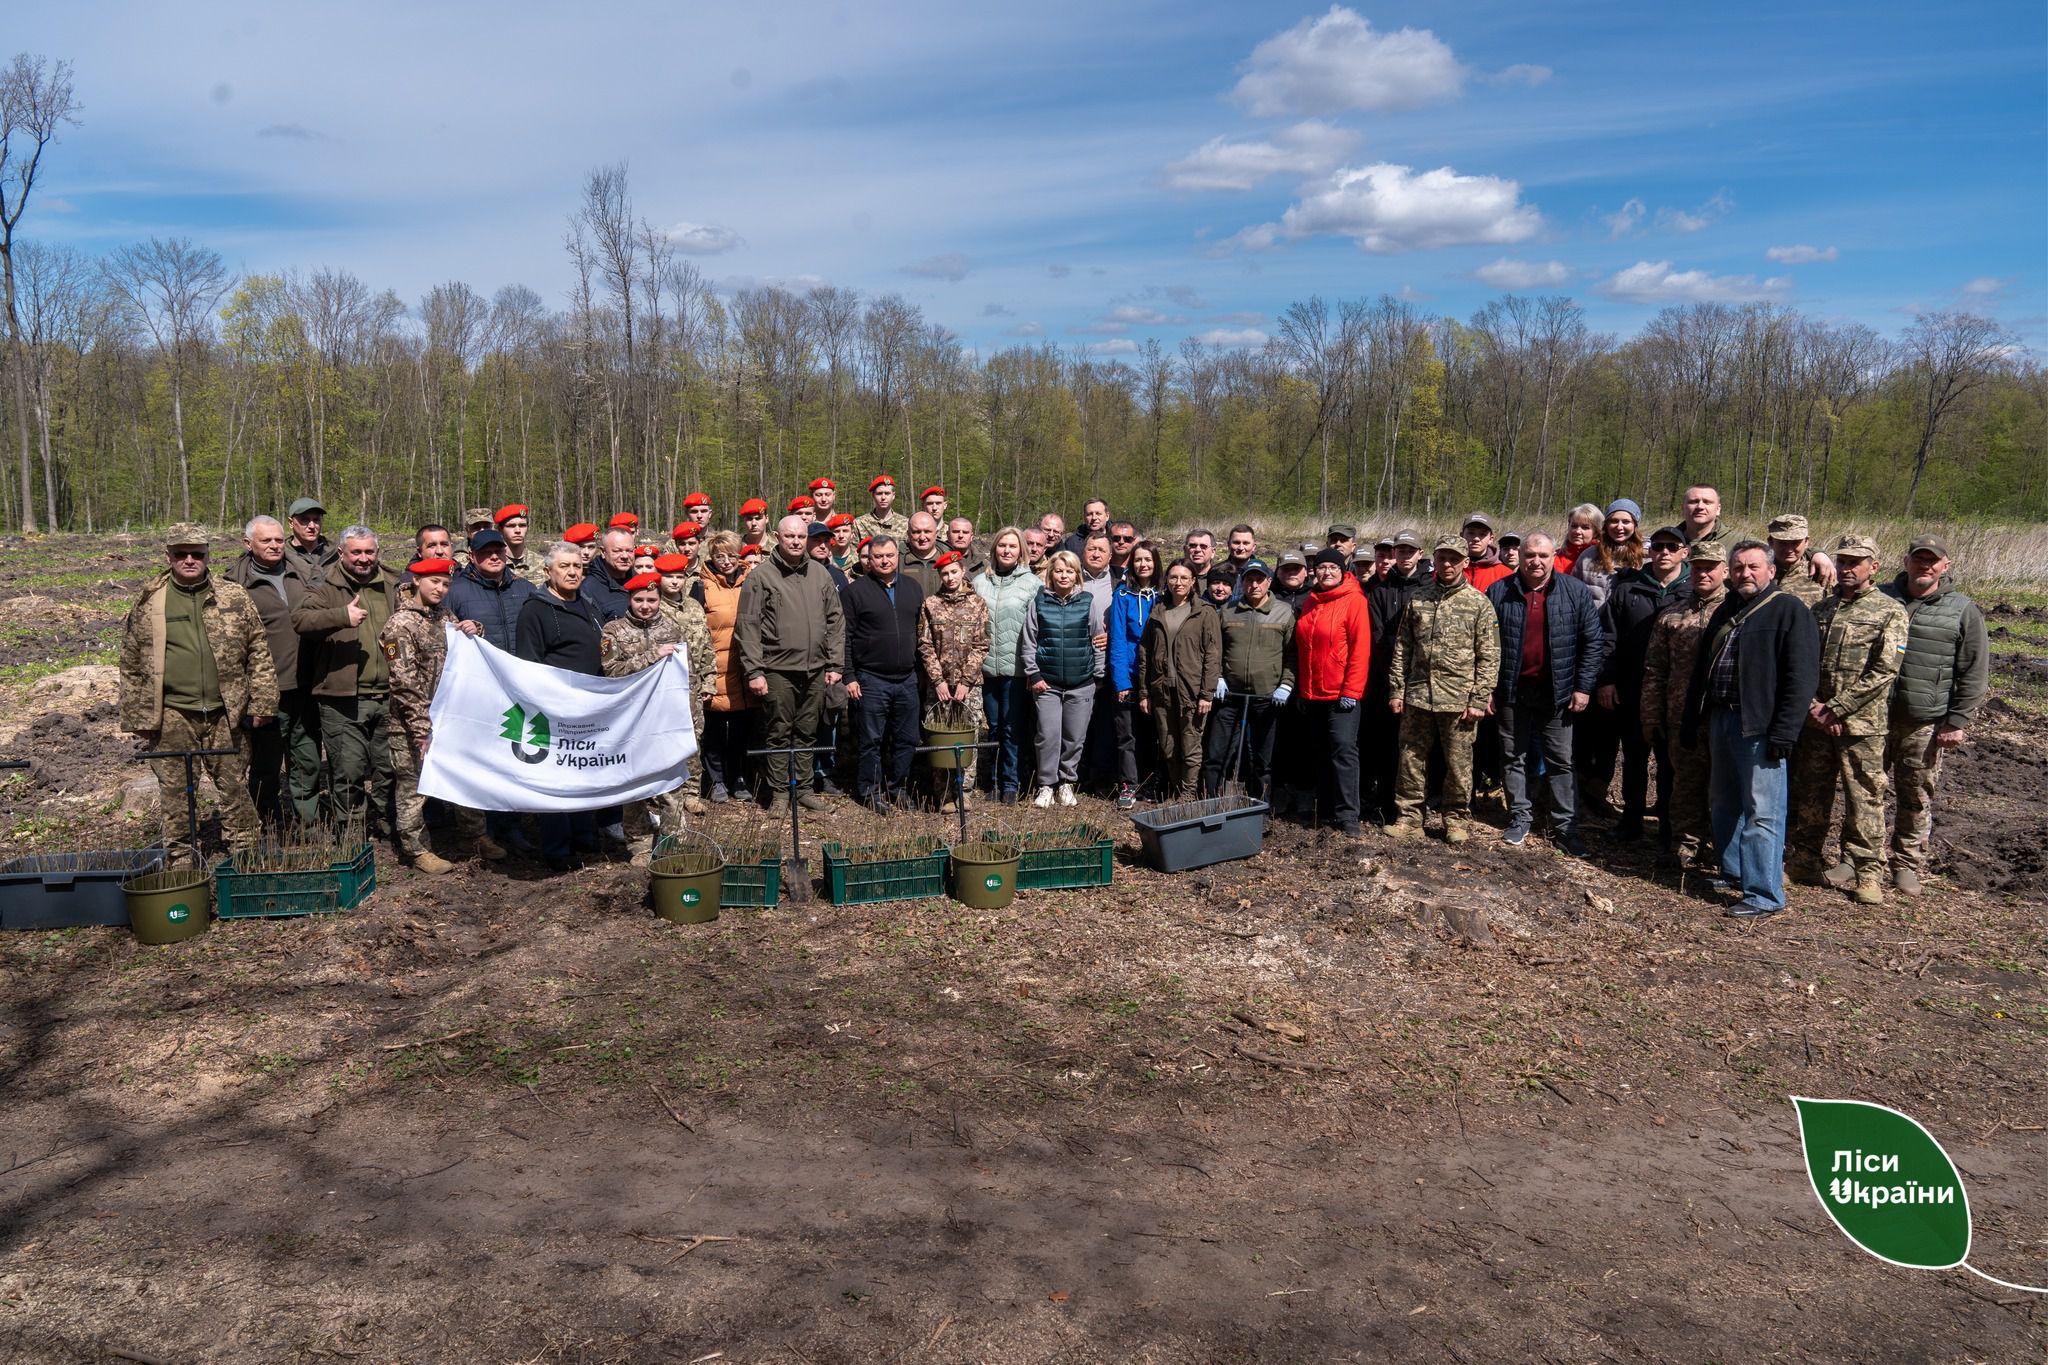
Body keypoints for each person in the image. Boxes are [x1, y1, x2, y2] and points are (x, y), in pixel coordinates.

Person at [118, 524, 277, 864]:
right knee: (176, 796)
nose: (189, 560)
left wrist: (263, 701)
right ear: (168, 557)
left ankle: (247, 860)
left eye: (197, 554)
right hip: (173, 715)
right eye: (181, 554)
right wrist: (138, 717)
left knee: (235, 789)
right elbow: (130, 661)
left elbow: (258, 651)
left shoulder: (233, 597)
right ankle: (182, 863)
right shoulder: (150, 602)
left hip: (226, 712)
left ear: (208, 556)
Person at [1681, 540, 1820, 919]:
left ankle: (1764, 893)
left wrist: (1785, 732)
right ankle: (1734, 872)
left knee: (1762, 811)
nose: (1745, 573)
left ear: (1771, 571)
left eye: (1753, 567)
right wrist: (1692, 720)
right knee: (1723, 802)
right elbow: (1701, 671)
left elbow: (1802, 678)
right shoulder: (1727, 610)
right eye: (1739, 567)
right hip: (1722, 719)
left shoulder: (1789, 611)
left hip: (1760, 726)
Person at [1786, 535, 1909, 905]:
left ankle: (1867, 871)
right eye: (1842, 561)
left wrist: (1837, 707)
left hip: (1862, 726)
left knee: (1865, 799)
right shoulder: (1822, 609)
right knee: (1810, 792)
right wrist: (1813, 706)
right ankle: (1805, 860)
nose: (1846, 568)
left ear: (1874, 566)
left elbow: (1885, 670)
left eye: (1856, 561)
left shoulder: (1890, 611)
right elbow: (1801, 661)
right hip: (1817, 722)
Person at [1880, 534, 1989, 897]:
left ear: (1945, 565)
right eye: (1918, 559)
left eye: (1932, 560)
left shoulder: (1962, 610)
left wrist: (1957, 721)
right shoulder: (1880, 597)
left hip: (1924, 720)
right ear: (1906, 561)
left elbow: (1974, 670)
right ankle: (1862, 858)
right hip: (1874, 715)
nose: (1924, 566)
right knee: (1865, 792)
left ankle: (1906, 863)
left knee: (1915, 794)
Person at [1486, 533, 1606, 856]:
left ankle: (1565, 826)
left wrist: (1583, 687)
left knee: (1561, 760)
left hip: (1558, 691)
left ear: (1554, 556)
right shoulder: (1499, 591)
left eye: (1542, 555)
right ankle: (1519, 817)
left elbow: (1593, 642)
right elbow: (1485, 645)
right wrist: (1486, 689)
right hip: (1512, 688)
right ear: (1519, 557)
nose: (1535, 562)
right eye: (1529, 555)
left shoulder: (1575, 592)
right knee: (1513, 755)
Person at [382, 557, 495, 873]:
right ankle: (417, 850)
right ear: (417, 581)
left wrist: (476, 628)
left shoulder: (444, 615)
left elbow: (463, 650)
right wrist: (420, 726)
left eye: (446, 583)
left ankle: (474, 836)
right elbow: (404, 681)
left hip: (451, 718)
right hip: (410, 724)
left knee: (465, 776)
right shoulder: (400, 625)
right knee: (413, 786)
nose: (441, 588)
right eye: (434, 582)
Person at [1388, 538, 1500, 844]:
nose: (1447, 565)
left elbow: (1489, 656)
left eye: (1454, 559)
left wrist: (1479, 697)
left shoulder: (1478, 603)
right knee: (1410, 759)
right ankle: (1409, 818)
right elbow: (1403, 648)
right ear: (1434, 561)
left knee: (1458, 764)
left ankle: (1456, 819)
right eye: (1442, 559)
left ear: (1465, 562)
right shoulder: (1419, 599)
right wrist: (1397, 689)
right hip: (1418, 696)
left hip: (1459, 700)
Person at [292, 526, 400, 843]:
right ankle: (350, 830)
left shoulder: (393, 583)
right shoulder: (325, 583)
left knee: (387, 768)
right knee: (348, 772)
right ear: (342, 553)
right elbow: (300, 620)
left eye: (369, 552)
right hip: (342, 698)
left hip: (389, 695)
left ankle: (381, 820)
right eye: (357, 552)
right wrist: (341, 615)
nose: (364, 559)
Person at [736, 516, 847, 813]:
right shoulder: (761, 577)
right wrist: (755, 671)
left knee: (807, 731)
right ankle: (781, 793)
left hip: (815, 670)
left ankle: (805, 788)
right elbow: (747, 626)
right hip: (777, 670)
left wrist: (835, 663)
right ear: (777, 537)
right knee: (779, 732)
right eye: (790, 536)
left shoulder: (821, 575)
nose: (796, 542)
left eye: (800, 536)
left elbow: (836, 621)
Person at [515, 543, 607, 871]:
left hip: (587, 707)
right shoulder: (535, 611)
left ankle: (584, 833)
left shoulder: (588, 604)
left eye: (577, 567)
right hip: (553, 708)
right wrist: (545, 705)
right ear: (547, 572)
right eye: (564, 567)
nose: (572, 572)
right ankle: (557, 848)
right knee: (556, 779)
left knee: (581, 771)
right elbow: (529, 663)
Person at [1596, 525, 1690, 841]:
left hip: (1676, 693)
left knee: (1670, 764)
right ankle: (1630, 821)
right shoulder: (1628, 589)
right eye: (1659, 546)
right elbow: (1607, 638)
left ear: (1684, 552)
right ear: (1650, 550)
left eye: (1672, 547)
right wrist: (1607, 680)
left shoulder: (1693, 591)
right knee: (1634, 759)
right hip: (1633, 688)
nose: (1664, 552)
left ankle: (1668, 827)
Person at [1640, 540, 1730, 869]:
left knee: (1723, 787)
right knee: (1685, 784)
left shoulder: (1737, 611)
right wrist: (1650, 714)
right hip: (1680, 718)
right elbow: (1654, 669)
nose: (1704, 573)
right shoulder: (1672, 615)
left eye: (1711, 567)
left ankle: (1721, 848)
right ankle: (1686, 844)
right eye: (1699, 567)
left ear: (1725, 570)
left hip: (1723, 718)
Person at [224, 514, 315, 829]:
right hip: (265, 690)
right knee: (266, 764)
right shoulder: (234, 585)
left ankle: (309, 824)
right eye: (267, 540)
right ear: (249, 544)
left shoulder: (301, 573)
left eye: (279, 539)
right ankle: (269, 822)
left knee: (306, 760)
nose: (275, 545)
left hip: (306, 684)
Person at [599, 571, 695, 857]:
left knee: (670, 781)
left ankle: (673, 843)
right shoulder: (613, 630)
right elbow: (612, 671)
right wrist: (653, 655)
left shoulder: (673, 628)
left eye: (651, 600)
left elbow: (687, 675)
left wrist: (689, 713)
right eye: (639, 599)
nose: (645, 605)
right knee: (635, 782)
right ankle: (639, 844)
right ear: (629, 599)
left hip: (664, 718)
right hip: (630, 719)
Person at [841, 535, 926, 813]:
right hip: (871, 678)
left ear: (897, 556)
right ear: (869, 559)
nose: (885, 560)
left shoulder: (913, 588)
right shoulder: (855, 592)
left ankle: (899, 787)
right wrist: (849, 676)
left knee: (907, 738)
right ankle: (870, 790)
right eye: (878, 556)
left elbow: (922, 633)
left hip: (907, 678)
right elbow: (846, 637)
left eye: (889, 555)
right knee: (871, 739)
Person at [1294, 549, 1372, 837]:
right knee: (1319, 752)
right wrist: (1303, 689)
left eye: (1333, 568)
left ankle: (1348, 814)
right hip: (1313, 693)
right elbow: (1305, 650)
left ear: (1343, 571)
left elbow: (1360, 650)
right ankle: (1324, 806)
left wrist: (1352, 690)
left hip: (1342, 694)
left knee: (1343, 750)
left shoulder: (1354, 601)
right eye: (1322, 567)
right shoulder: (1311, 602)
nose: (1327, 572)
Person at [1021, 549, 1107, 807]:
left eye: (1069, 571)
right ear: (1051, 574)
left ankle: (1067, 782)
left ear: (1077, 575)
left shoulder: (1087, 601)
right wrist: (1033, 673)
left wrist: (1098, 675)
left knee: (1075, 736)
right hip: (1047, 683)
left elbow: (1097, 640)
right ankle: (1046, 785)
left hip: (1081, 683)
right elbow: (1029, 641)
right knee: (1047, 735)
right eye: (1058, 570)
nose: (1064, 575)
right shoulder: (1039, 602)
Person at [1203, 559, 1293, 802]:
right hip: (1230, 696)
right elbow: (1215, 651)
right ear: (1242, 583)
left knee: (1262, 760)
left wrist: (1286, 684)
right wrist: (1218, 678)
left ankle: (1259, 808)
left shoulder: (1284, 612)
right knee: (1216, 755)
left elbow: (1292, 654)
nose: (1254, 584)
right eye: (1249, 580)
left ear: (1269, 582)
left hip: (1267, 697)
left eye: (1259, 579)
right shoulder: (1228, 611)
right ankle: (1210, 804)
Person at [1135, 560, 1222, 802]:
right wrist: (1144, 692)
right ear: (1166, 580)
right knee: (1168, 745)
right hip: (1162, 689)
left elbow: (1212, 656)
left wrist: (1207, 693)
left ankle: (1188, 793)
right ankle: (1175, 788)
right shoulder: (1158, 611)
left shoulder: (1204, 612)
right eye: (1173, 577)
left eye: (1184, 578)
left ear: (1193, 581)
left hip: (1191, 691)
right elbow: (1145, 654)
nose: (1178, 582)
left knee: (1190, 745)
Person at [917, 551, 991, 808]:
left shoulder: (977, 604)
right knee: (940, 737)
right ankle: (944, 793)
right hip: (938, 686)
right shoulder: (931, 604)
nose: (949, 577)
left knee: (968, 736)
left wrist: (966, 681)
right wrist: (937, 681)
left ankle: (964, 792)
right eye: (944, 573)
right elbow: (925, 645)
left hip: (968, 685)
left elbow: (981, 644)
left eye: (954, 572)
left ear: (962, 571)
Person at [975, 527, 1041, 804]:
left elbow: (1038, 629)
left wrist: (1034, 668)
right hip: (987, 667)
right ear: (994, 549)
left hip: (1017, 669)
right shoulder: (979, 582)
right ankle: (991, 782)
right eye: (1002, 545)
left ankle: (1011, 783)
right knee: (993, 727)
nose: (1006, 550)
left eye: (1012, 546)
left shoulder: (1032, 584)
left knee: (1013, 726)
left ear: (1021, 552)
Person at [1362, 530, 1424, 823]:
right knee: (1386, 744)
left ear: (1420, 554)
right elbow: (1377, 636)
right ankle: (1386, 803)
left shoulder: (1428, 588)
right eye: (1400, 550)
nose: (1404, 555)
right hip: (1385, 679)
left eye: (1410, 550)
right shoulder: (1380, 591)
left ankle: (1415, 805)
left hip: (1422, 679)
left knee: (1416, 748)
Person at [692, 533, 756, 804]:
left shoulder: (752, 582)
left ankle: (739, 777)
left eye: (732, 556)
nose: (727, 562)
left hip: (744, 666)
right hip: (715, 667)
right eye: (720, 556)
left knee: (742, 730)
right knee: (715, 729)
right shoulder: (701, 586)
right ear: (712, 558)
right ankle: (716, 780)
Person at [1107, 541, 1162, 810]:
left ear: (1156, 563)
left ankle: (1151, 781)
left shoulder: (1163, 595)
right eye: (1138, 560)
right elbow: (1117, 639)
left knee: (1153, 732)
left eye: (1148, 560)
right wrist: (1120, 680)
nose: (1143, 565)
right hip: (1128, 673)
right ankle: (1128, 784)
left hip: (1156, 676)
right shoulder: (1123, 595)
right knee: (1126, 734)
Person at [1573, 499, 1642, 613]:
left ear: (1635, 525)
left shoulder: (1646, 557)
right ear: (1606, 524)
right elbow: (1573, 591)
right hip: (1591, 623)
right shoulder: (1589, 555)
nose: (1619, 527)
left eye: (1626, 522)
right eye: (1614, 521)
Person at [1766, 514, 1829, 608]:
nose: (1789, 550)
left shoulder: (1821, 574)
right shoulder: (1758, 572)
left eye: (1795, 543)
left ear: (1806, 542)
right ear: (1770, 542)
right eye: (1782, 543)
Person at [580, 527, 636, 622]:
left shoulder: (640, 581)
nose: (625, 556)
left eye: (629, 551)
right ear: (603, 552)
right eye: (617, 551)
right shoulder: (588, 590)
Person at [284, 496, 337, 578]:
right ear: (291, 523)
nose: (312, 526)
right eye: (305, 520)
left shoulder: (336, 553)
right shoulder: (281, 555)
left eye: (316, 520)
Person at [495, 504, 546, 586]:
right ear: (500, 529)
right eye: (511, 526)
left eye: (522, 525)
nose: (518, 530)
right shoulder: (494, 562)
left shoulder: (540, 562)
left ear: (527, 528)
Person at [1461, 513, 1513, 592]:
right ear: (1461, 535)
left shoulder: (1505, 574)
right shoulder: (1448, 567)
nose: (1476, 538)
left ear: (1491, 539)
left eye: (1482, 534)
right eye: (1471, 533)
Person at [853, 475, 908, 546]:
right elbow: (854, 552)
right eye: (879, 493)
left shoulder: (905, 523)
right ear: (873, 496)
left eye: (887, 493)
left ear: (893, 496)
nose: (883, 497)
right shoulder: (860, 523)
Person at [900, 512, 943, 595]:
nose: (922, 537)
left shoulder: (949, 560)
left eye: (927, 531)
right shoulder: (897, 559)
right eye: (917, 532)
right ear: (908, 534)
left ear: (936, 533)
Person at [1556, 505, 1603, 579]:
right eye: (1574, 526)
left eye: (1585, 527)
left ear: (1596, 532)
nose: (1577, 531)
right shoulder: (1554, 557)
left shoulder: (1603, 558)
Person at [806, 520, 850, 590]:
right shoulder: (797, 573)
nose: (823, 546)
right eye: (817, 540)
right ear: (806, 542)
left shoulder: (838, 576)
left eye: (826, 541)